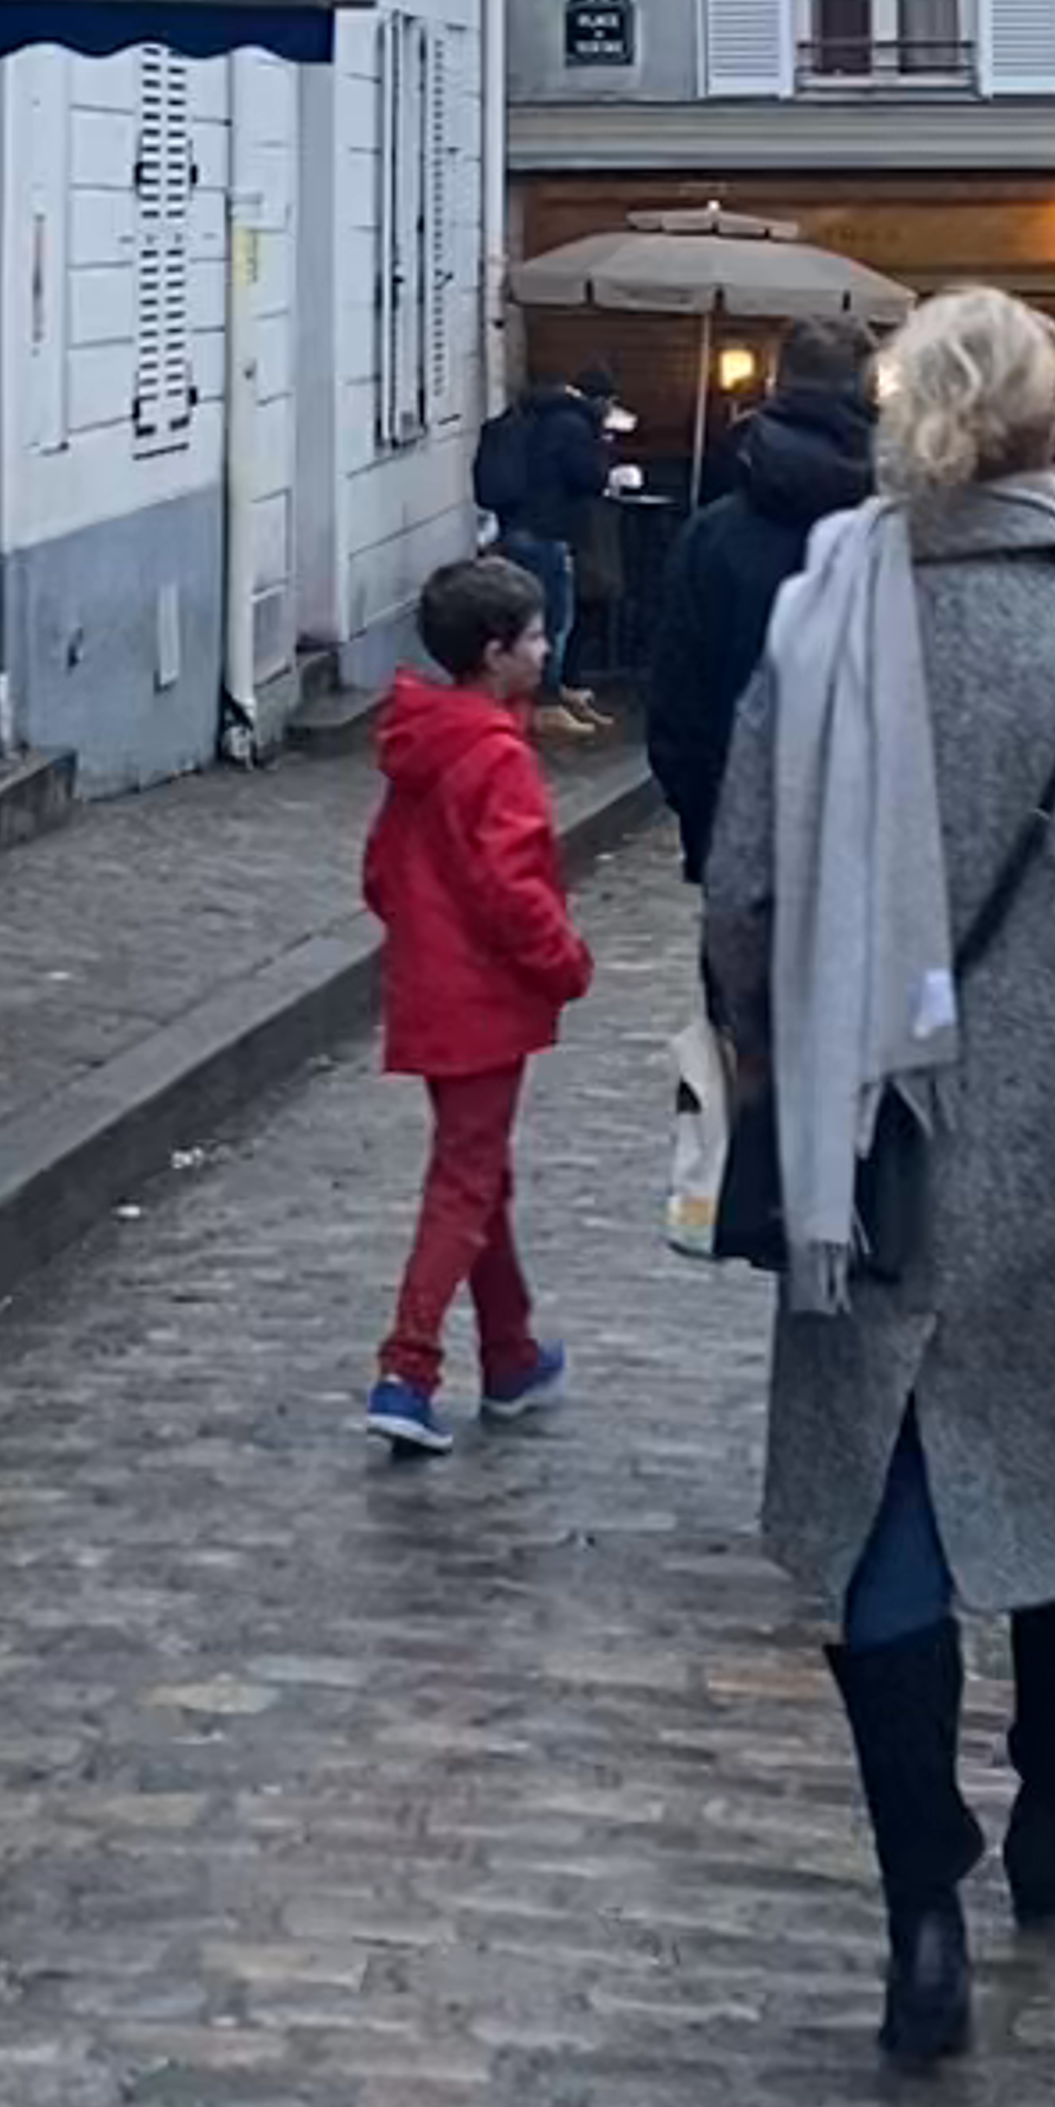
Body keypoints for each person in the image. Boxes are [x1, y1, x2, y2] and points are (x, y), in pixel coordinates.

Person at [704, 287, 1055, 2070]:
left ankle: (918, 1896)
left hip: (871, 1131)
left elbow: (742, 900)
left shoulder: (823, 625)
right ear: (1050, 437)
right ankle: (1050, 1807)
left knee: (891, 1505)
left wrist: (782, 1060)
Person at [359, 555, 592, 1446]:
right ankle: (406, 1369)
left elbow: (382, 871)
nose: (545, 648)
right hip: (484, 999)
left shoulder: (424, 742)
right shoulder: (495, 755)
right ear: (497, 652)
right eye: (534, 636)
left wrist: (422, 930)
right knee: (464, 1179)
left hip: (430, 986)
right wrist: (564, 961)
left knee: (479, 1168)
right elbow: (515, 886)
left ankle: (511, 1354)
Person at [641, 326, 879, 875]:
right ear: (867, 389)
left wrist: (705, 817)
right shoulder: (907, 528)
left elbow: (676, 694)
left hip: (741, 817)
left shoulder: (712, 536)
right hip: (872, 831)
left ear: (776, 382)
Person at [471, 362, 617, 732]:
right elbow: (590, 477)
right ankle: (546, 704)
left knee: (522, 617)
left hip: (514, 528)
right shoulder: (572, 425)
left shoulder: (530, 413)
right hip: (548, 531)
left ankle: (532, 698)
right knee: (553, 620)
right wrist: (604, 451)